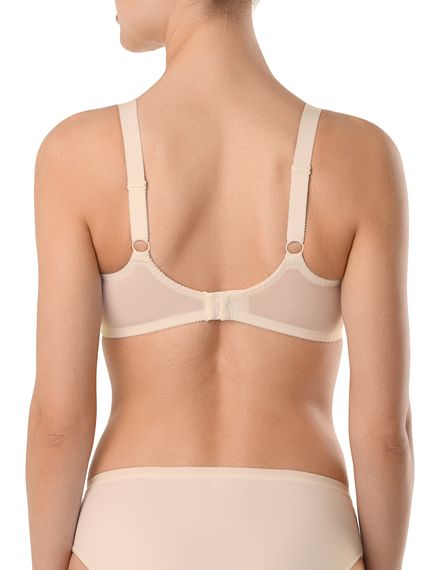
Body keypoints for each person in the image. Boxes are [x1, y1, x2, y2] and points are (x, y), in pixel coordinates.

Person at [26, 1, 414, 569]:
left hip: (130, 527)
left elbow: (58, 424)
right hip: (303, 529)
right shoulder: (362, 156)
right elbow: (384, 432)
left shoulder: (76, 155)